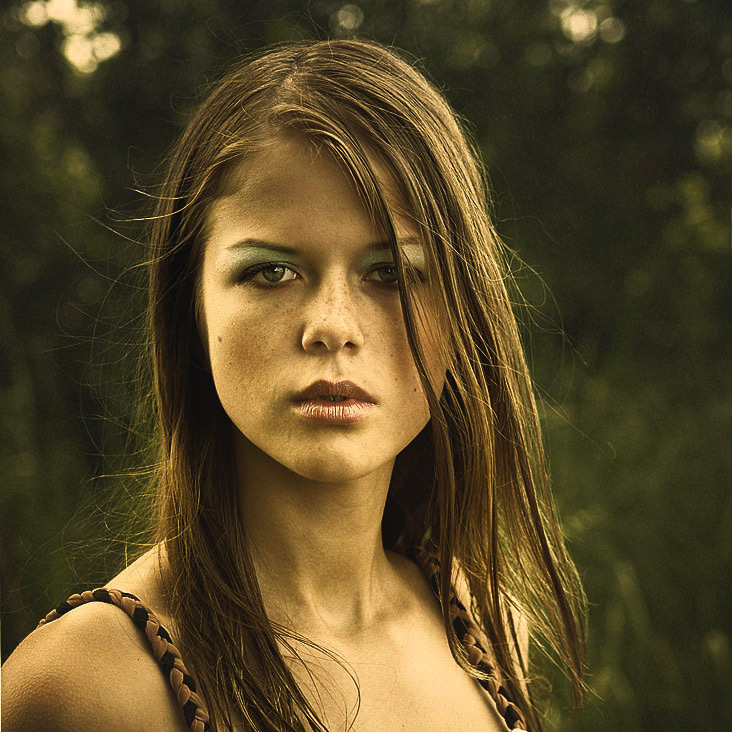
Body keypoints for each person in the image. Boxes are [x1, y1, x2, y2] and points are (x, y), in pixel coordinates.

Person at [1, 39, 586, 732]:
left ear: (463, 308)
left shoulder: (486, 629)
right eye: (271, 272)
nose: (332, 327)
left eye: (391, 273)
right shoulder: (85, 687)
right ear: (192, 307)